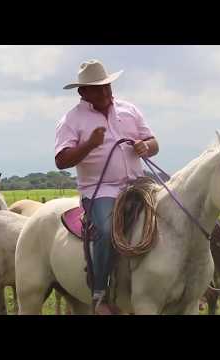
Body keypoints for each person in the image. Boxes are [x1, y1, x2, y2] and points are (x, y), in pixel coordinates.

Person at [54, 59, 159, 315]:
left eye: (107, 87)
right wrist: (89, 144)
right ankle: (99, 294)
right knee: (105, 228)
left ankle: (190, 283)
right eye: (97, 89)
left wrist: (146, 146)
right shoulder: (71, 120)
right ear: (83, 92)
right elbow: (61, 160)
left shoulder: (129, 109)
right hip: (100, 191)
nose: (105, 93)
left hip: (139, 183)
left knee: (178, 210)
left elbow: (154, 142)